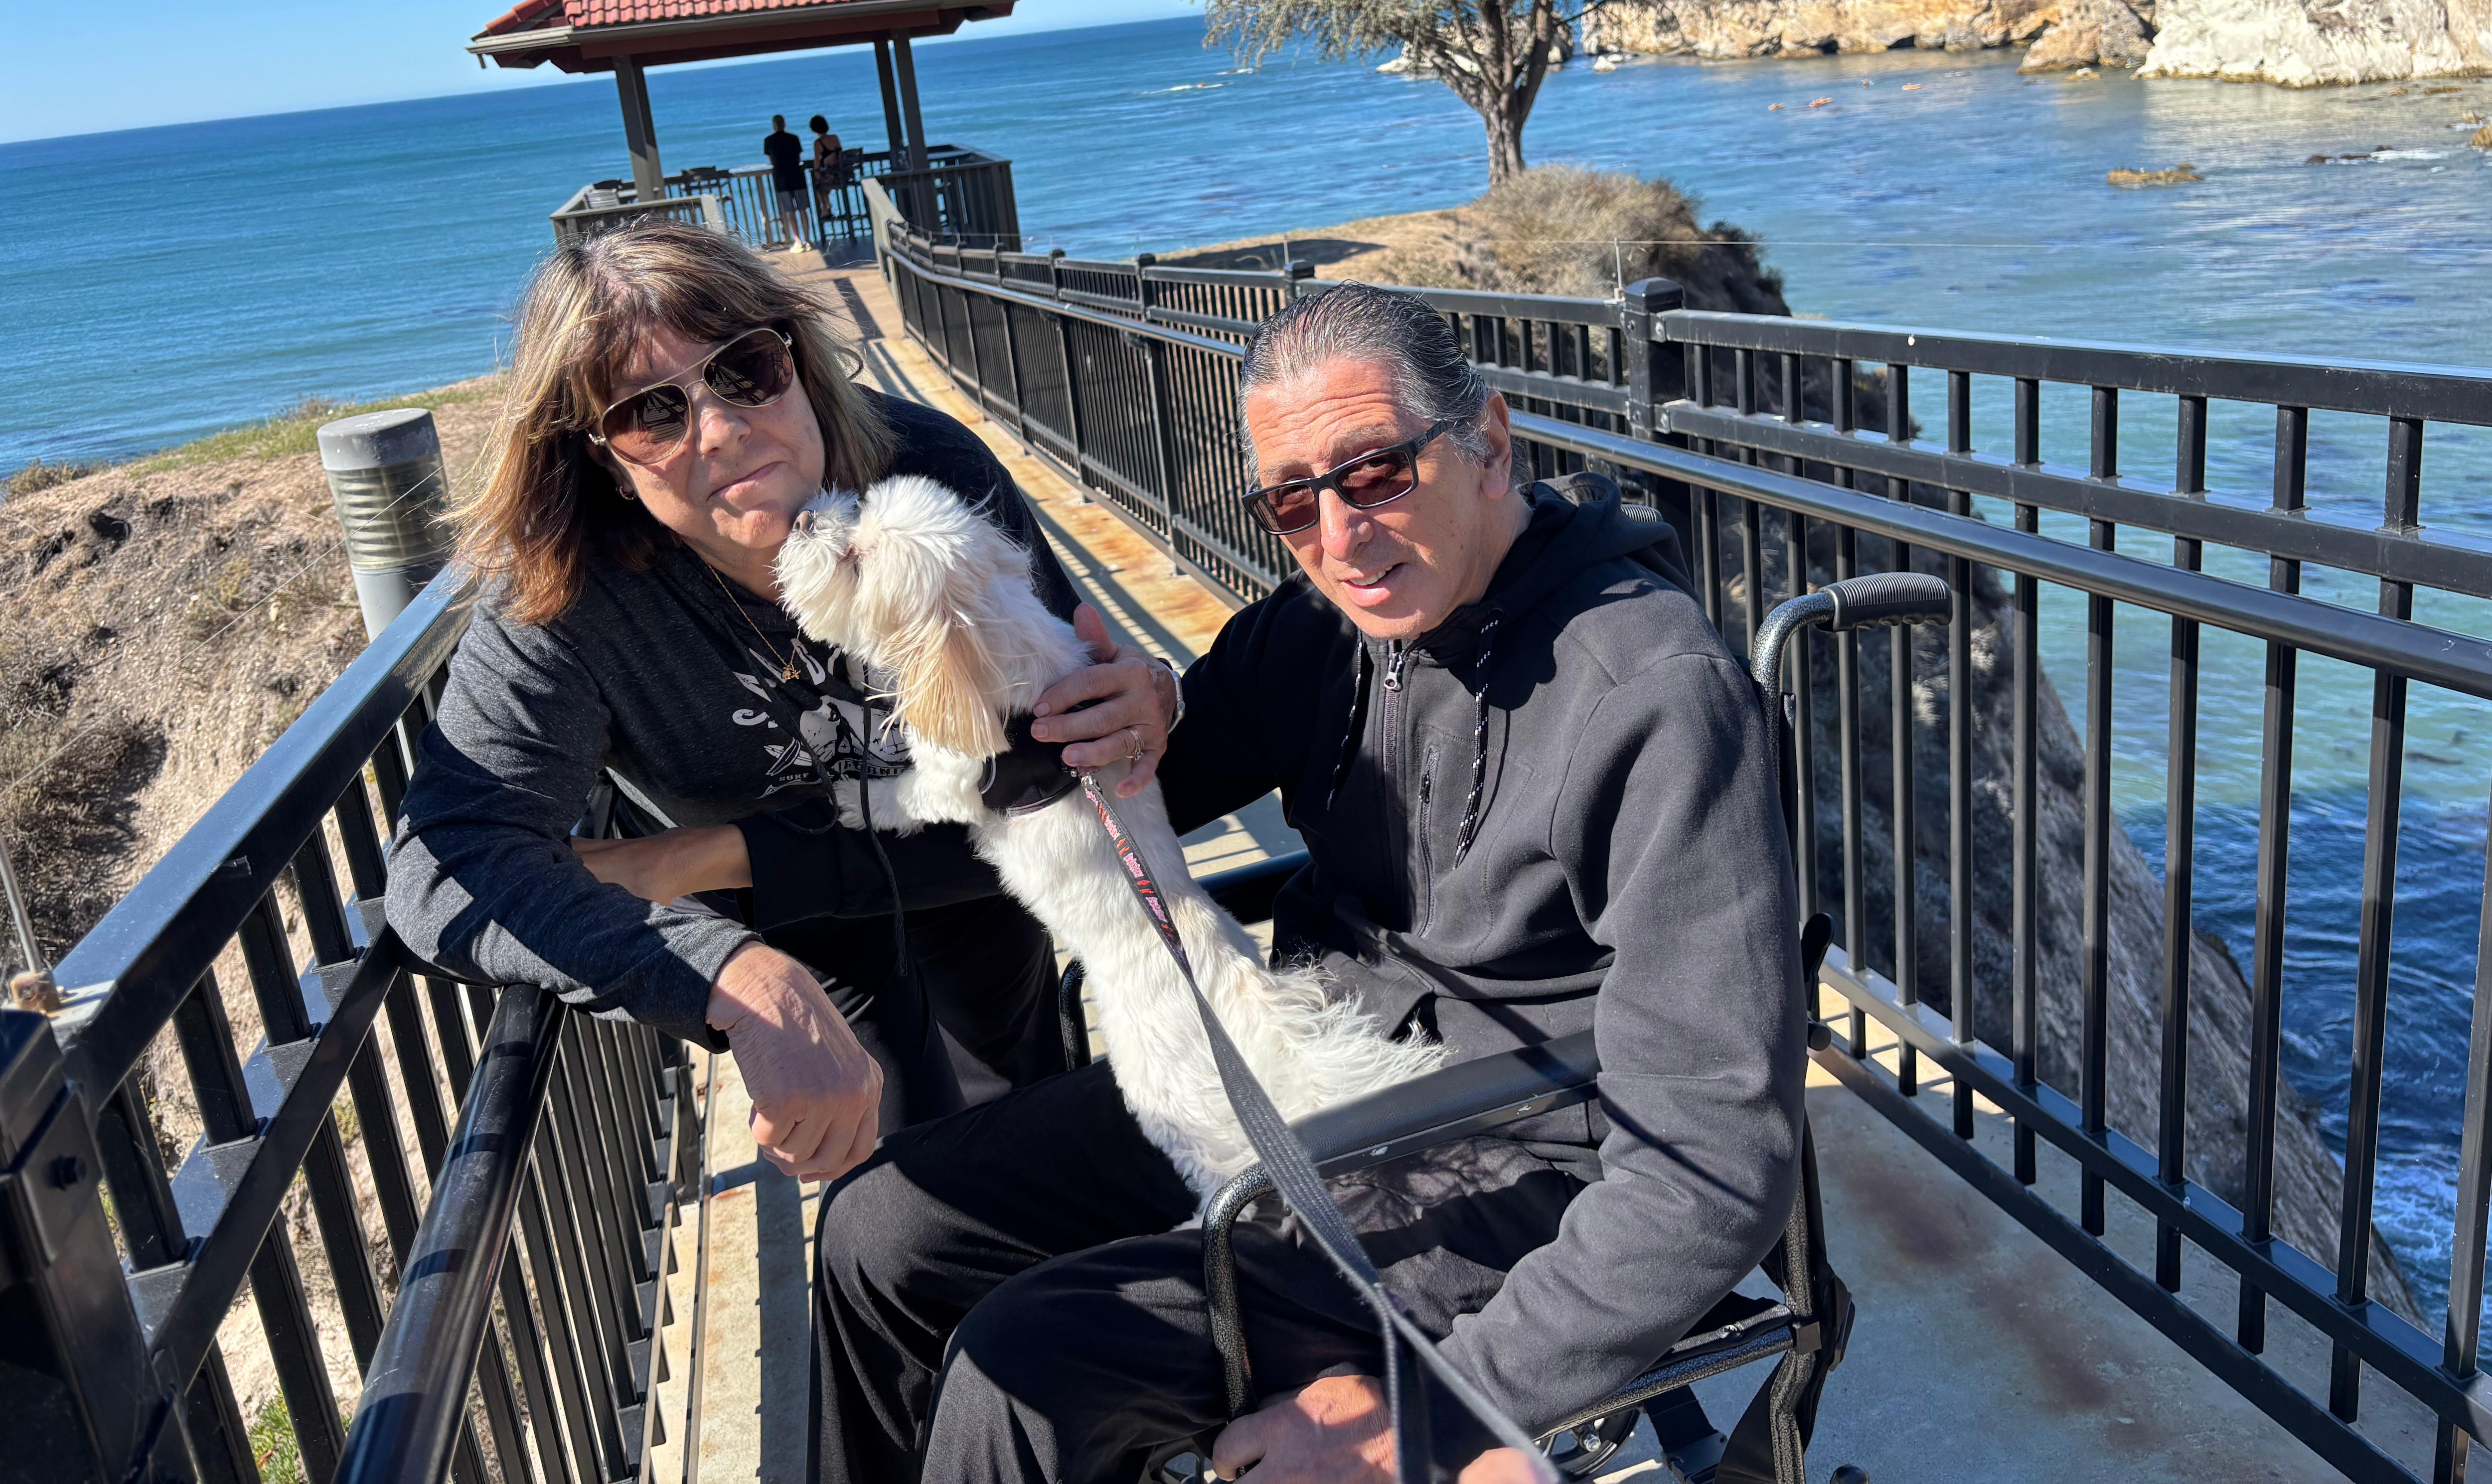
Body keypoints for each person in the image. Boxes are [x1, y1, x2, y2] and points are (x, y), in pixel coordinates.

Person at [804, 282, 1806, 1484]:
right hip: (1308, 1069)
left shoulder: (1654, 697)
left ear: (1489, 444)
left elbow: (1712, 1151)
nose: (1341, 536)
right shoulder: (1324, 631)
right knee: (881, 1226)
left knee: (1026, 1366)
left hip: (1513, 1155)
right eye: (1291, 500)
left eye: (1377, 472)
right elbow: (1159, 763)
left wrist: (1439, 1408)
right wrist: (1121, 702)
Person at [384, 220, 1176, 1187]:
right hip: (787, 930)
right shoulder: (561, 600)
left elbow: (1044, 754)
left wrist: (1148, 697)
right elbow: (446, 864)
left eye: (744, 369)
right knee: (892, 1188)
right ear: (602, 459)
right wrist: (725, 973)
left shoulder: (930, 477)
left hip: (966, 871)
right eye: (650, 414)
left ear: (797, 362)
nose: (719, 427)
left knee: (1029, 1133)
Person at [764, 114, 810, 249]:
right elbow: (798, 158)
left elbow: (772, 160)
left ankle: (798, 241)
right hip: (797, 175)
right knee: (803, 210)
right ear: (785, 124)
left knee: (790, 211)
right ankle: (808, 240)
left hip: (781, 178)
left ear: (774, 125)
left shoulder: (769, 141)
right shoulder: (794, 138)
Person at [810, 115, 847, 236]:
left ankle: (825, 207)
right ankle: (827, 205)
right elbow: (840, 154)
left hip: (830, 176)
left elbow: (817, 161)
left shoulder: (818, 143)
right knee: (823, 186)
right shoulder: (835, 138)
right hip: (840, 174)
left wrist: (817, 172)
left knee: (818, 185)